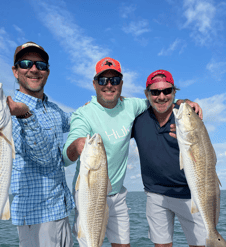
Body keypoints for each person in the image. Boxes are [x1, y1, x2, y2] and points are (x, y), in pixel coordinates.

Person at [62, 58, 201, 247]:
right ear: (94, 84)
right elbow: (66, 158)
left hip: (118, 195)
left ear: (121, 84)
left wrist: (186, 102)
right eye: (103, 80)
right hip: (91, 194)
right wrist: (77, 145)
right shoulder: (83, 114)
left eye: (115, 80)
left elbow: (160, 98)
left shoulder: (132, 106)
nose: (109, 85)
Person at [6, 42, 75, 247]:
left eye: (40, 65)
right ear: (15, 71)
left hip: (60, 211)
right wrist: (26, 115)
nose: (34, 69)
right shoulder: (9, 112)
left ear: (47, 72)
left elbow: (73, 120)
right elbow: (44, 157)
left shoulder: (51, 108)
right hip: (36, 218)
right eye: (26, 63)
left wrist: (101, 104)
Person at [131, 69, 206, 247]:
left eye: (167, 91)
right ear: (147, 94)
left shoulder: (187, 115)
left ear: (174, 92)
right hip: (155, 194)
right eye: (155, 92)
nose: (161, 96)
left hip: (190, 193)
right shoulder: (138, 120)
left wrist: (185, 102)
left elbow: (205, 155)